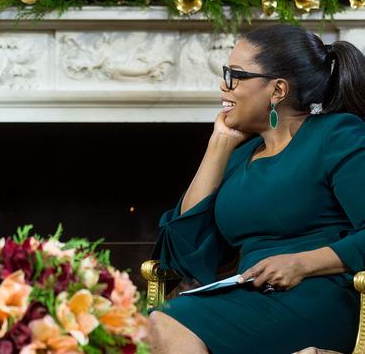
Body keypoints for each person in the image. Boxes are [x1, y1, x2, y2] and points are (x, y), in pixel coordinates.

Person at [150, 25, 365, 353]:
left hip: (317, 294)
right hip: (249, 296)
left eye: (235, 74)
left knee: (163, 325)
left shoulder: (337, 135)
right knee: (156, 324)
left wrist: (300, 263)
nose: (224, 84)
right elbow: (180, 254)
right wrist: (219, 145)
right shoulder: (239, 157)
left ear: (277, 90)